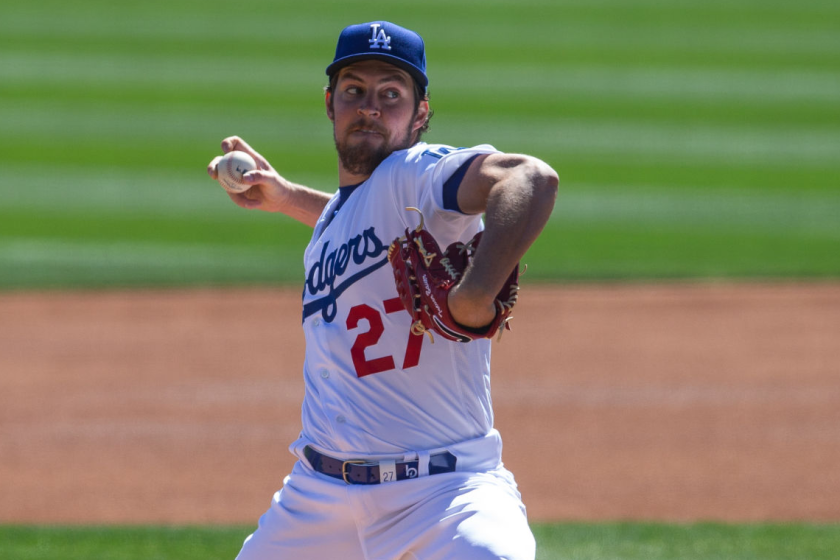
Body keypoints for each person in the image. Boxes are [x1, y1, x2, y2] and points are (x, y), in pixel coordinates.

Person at [208, 20, 558, 560]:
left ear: (420, 115)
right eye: (355, 91)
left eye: (390, 95)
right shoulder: (343, 219)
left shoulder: (415, 172)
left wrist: (474, 294)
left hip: (443, 494)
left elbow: (530, 178)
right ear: (330, 104)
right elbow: (353, 218)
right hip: (318, 499)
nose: (370, 106)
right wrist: (284, 197)